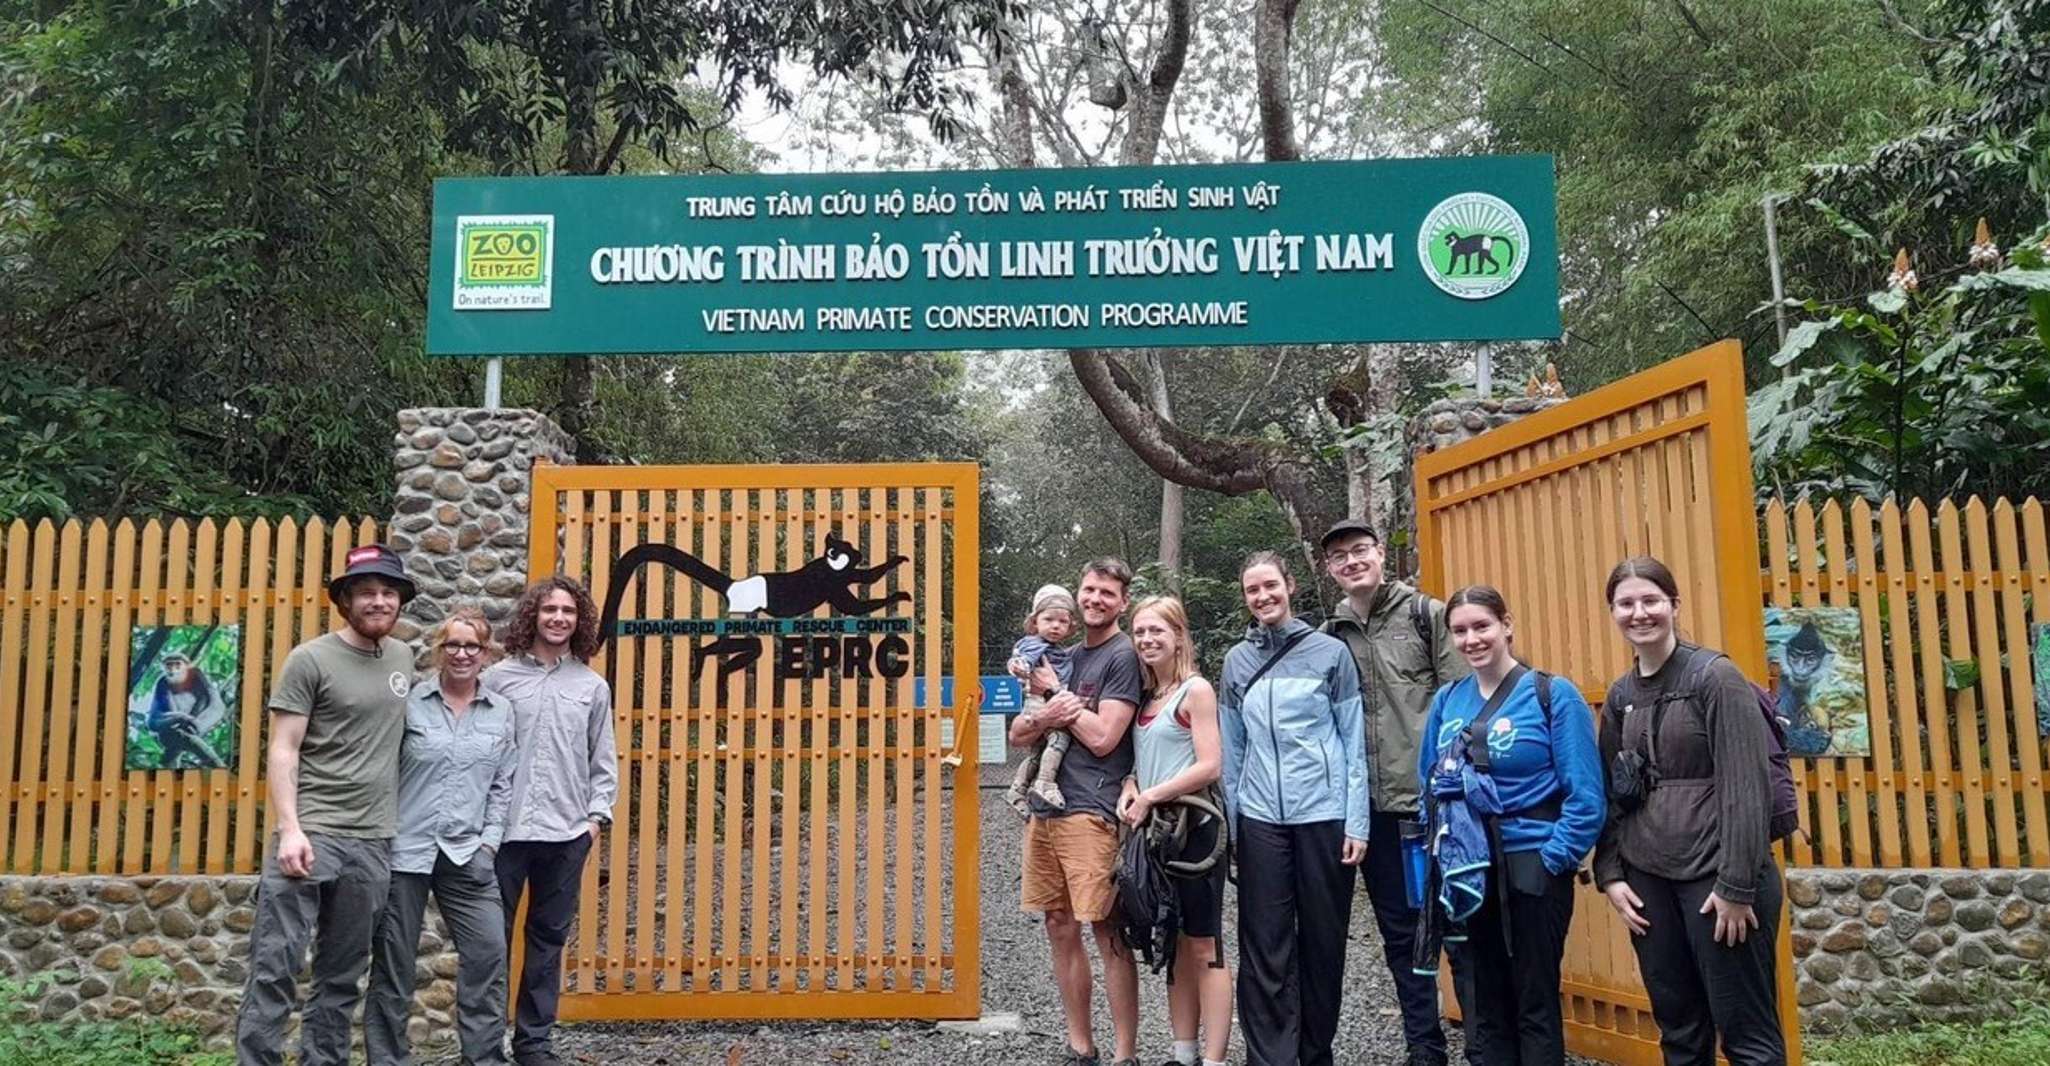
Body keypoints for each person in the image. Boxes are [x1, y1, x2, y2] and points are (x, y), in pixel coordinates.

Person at [1593, 556, 1788, 1066]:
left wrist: (1737, 886)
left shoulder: (1715, 678)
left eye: (1651, 600)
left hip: (1718, 883)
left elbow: (1748, 786)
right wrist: (1611, 874)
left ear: (1674, 605)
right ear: (1612, 611)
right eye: (1626, 603)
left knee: (1747, 1034)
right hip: (1648, 882)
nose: (1640, 613)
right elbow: (1613, 791)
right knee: (1679, 1030)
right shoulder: (1621, 695)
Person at [235, 543, 415, 1066]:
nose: (379, 602)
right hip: (312, 835)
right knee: (276, 966)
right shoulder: (310, 659)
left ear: (400, 601)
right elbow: (283, 748)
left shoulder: (402, 658)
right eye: (366, 593)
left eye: (388, 593)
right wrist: (290, 829)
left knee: (340, 976)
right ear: (345, 601)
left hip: (373, 841)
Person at [1416, 585, 1604, 1066]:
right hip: (1469, 869)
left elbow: (1584, 794)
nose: (1471, 639)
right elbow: (1429, 785)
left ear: (1507, 625)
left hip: (1532, 862)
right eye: (1460, 631)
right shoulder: (1447, 701)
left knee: (1534, 1001)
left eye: (1482, 626)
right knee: (1484, 1004)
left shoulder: (1549, 694)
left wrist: (1554, 858)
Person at [1318, 519, 1470, 1066]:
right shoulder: (1330, 635)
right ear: (1330, 570)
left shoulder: (1425, 615)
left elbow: (1462, 703)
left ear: (1381, 553)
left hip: (1434, 804)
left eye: (1360, 550)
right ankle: (1425, 1049)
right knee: (1401, 936)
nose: (1352, 561)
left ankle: (1483, 1044)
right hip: (1373, 812)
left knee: (1460, 926)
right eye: (1340, 556)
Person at [1218, 551, 1368, 1066]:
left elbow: (1352, 741)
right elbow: (1233, 752)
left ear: (1290, 586)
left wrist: (1357, 821)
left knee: (1323, 941)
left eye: (1270, 586)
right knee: (1264, 945)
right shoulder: (1236, 661)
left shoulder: (1330, 653)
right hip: (1260, 818)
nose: (1262, 597)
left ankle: (1315, 1050)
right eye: (1252, 590)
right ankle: (1270, 1057)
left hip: (1323, 814)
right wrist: (1234, 829)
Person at [366, 607, 518, 1065]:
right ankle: (388, 1060)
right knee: (393, 967)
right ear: (439, 650)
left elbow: (503, 783)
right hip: (405, 853)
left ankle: (484, 1058)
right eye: (453, 644)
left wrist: (489, 842)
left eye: (472, 645)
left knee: (488, 957)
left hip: (468, 855)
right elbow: (382, 770)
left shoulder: (501, 711)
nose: (462, 653)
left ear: (486, 653)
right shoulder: (409, 703)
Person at [1008, 558, 1144, 1066]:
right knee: (1058, 923)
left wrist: (1057, 701)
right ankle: (1079, 1044)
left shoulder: (1122, 656)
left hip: (1094, 809)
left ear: (1122, 602)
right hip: (1044, 810)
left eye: (1107, 593)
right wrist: (1050, 707)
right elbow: (1020, 733)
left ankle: (1124, 1053)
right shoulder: (1060, 655)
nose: (1095, 600)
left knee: (1107, 928)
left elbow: (1106, 738)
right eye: (1089, 590)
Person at [484, 578, 619, 1066]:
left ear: (578, 621)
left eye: (568, 611)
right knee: (490, 942)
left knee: (546, 941)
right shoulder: (498, 680)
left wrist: (595, 819)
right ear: (532, 617)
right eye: (549, 610)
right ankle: (482, 1046)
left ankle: (533, 1044)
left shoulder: (590, 686)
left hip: (566, 833)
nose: (558, 618)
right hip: (505, 833)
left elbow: (602, 758)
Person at [1116, 596, 1230, 1066]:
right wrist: (1131, 783)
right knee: (1174, 939)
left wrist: (1150, 796)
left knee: (1205, 944)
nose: (1147, 640)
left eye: (1157, 631)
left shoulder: (1195, 691)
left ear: (1179, 635)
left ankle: (1215, 1058)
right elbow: (1148, 759)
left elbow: (1210, 764)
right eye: (1140, 632)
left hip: (1196, 832)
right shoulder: (1147, 696)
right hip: (1157, 834)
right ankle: (1183, 1053)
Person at [1006, 584, 1081, 816]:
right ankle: (1046, 782)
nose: (1056, 626)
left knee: (1037, 751)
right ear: (1035, 622)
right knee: (1059, 737)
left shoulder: (1057, 649)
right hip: (1041, 701)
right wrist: (1020, 667)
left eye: (1062, 622)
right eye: (1049, 619)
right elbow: (1022, 659)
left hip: (1043, 699)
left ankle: (1017, 788)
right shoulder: (1035, 643)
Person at [146, 651, 229, 768]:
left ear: (187, 666)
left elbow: (217, 707)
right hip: (170, 731)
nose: (173, 669)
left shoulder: (197, 676)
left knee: (205, 697)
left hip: (196, 725)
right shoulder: (163, 683)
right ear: (163, 668)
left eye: (177, 665)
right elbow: (152, 722)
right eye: (169, 665)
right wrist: (180, 717)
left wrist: (199, 725)